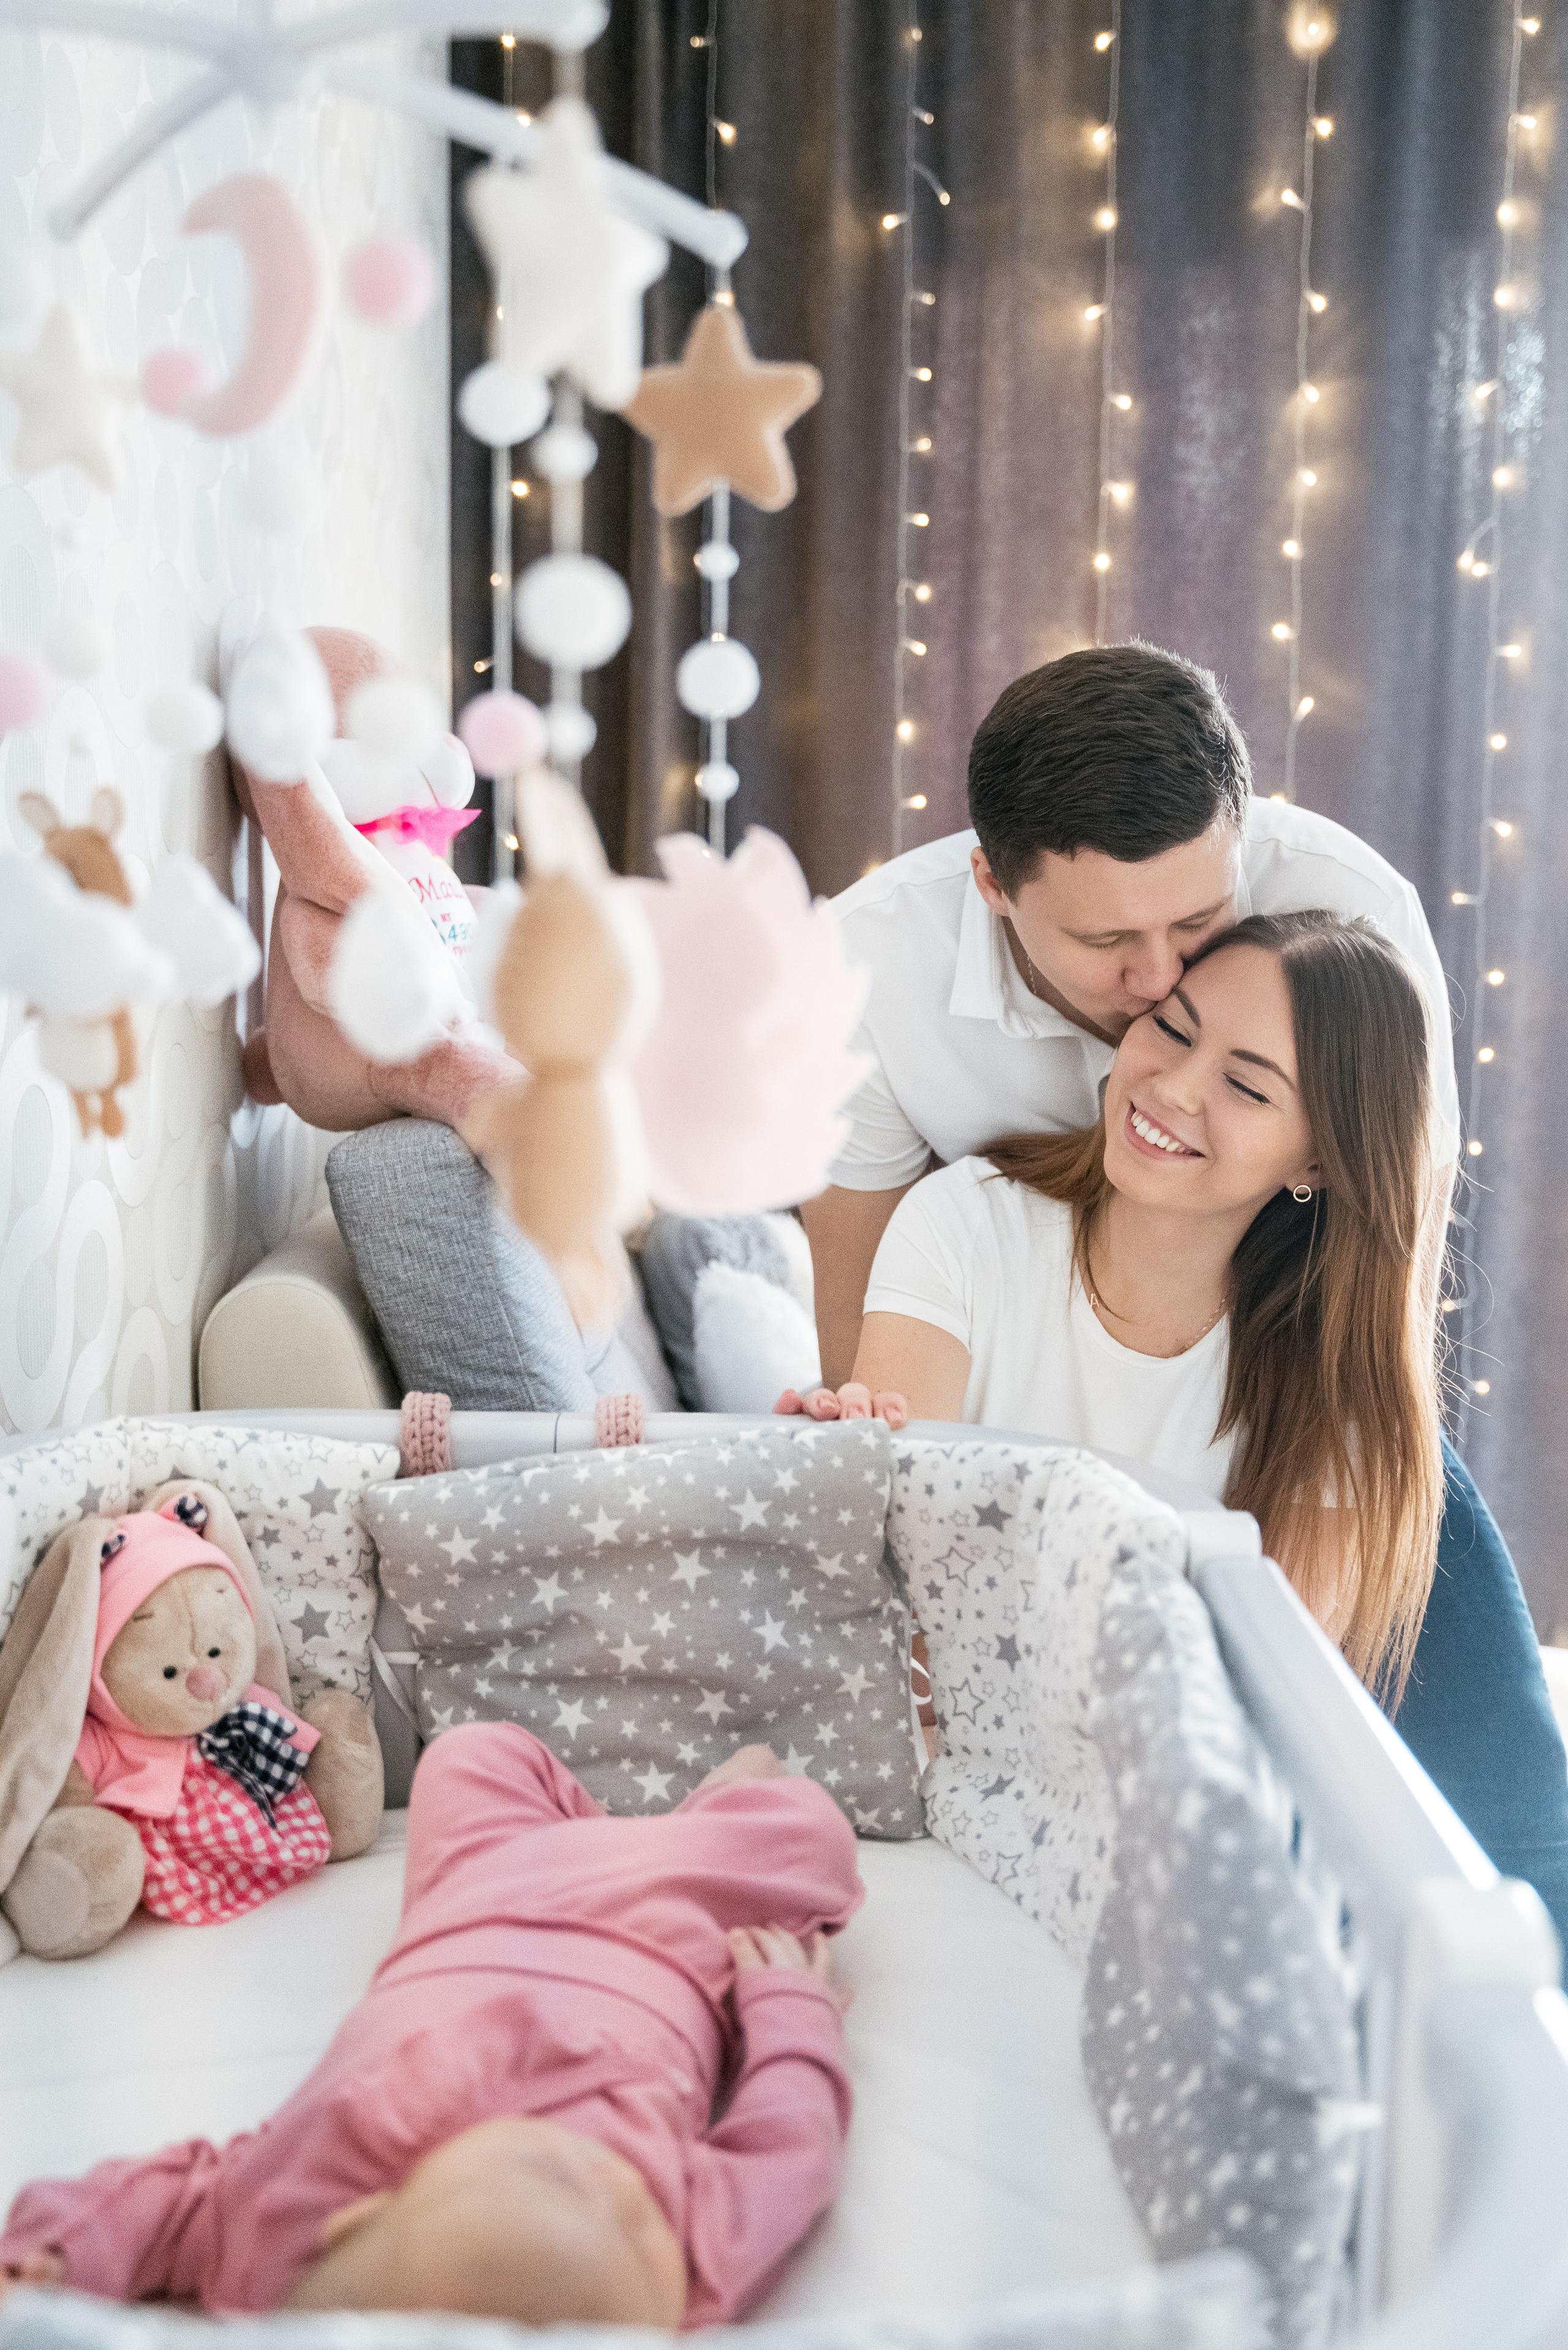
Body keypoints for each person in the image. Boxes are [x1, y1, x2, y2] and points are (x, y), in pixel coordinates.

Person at [793, 642, 1568, 1943]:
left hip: (1292, 1382)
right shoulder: (870, 983)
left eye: (1193, 931)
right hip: (1010, 1404)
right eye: (1109, 946)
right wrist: (865, 1497)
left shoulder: (1344, 909)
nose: (1158, 985)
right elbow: (869, 1365)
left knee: (1496, 1877)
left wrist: (1342, 1486)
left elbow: (1374, 1285)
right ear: (993, 886)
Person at [0, 1728, 861, 2329]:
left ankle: (639, 1835)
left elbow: (159, 2203)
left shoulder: (273, 2219)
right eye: (639, 2225)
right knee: (810, 1832)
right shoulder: (700, 2263)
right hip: (663, 1932)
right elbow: (792, 2138)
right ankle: (713, 1809)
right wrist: (790, 2010)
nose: (609, 2177)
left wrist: (53, 2262)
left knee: (469, 1754)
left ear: (358, 2214)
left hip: (474, 1897)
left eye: (538, 2163)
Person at [808, 912, 1441, 1697]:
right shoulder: (967, 1222)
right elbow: (906, 1616)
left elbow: (1258, 1690)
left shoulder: (1336, 1373)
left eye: (1244, 1086)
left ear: (1317, 1157)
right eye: (1173, 1031)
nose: (1172, 1089)